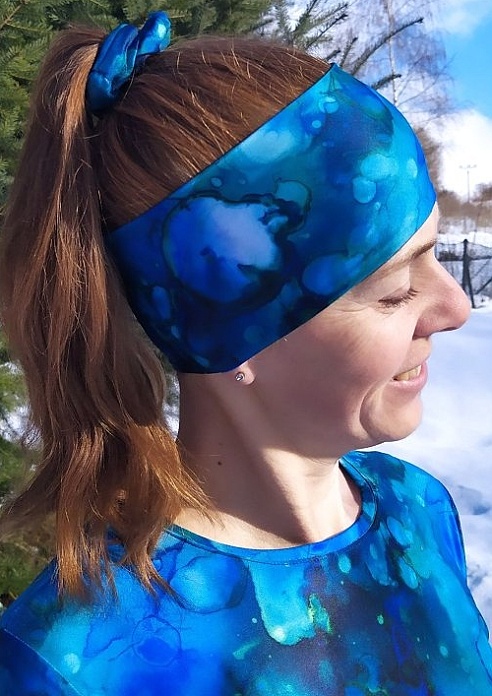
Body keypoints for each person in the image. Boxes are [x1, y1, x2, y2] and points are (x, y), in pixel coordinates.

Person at [0, 9, 490, 695]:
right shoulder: (78, 661)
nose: (456, 307)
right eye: (393, 292)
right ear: (232, 331)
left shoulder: (416, 515)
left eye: (434, 254)